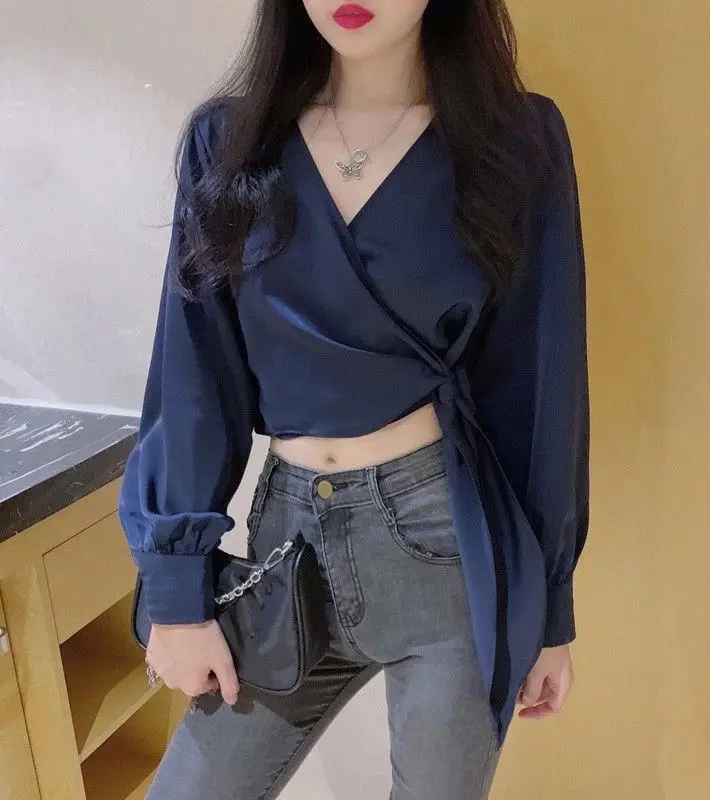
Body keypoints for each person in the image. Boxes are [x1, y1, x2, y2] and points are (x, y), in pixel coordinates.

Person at [117, 0, 590, 797]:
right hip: (287, 547)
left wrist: (548, 614)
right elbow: (193, 383)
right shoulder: (228, 141)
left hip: (446, 546)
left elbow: (542, 391)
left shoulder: (516, 141)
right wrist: (176, 593)